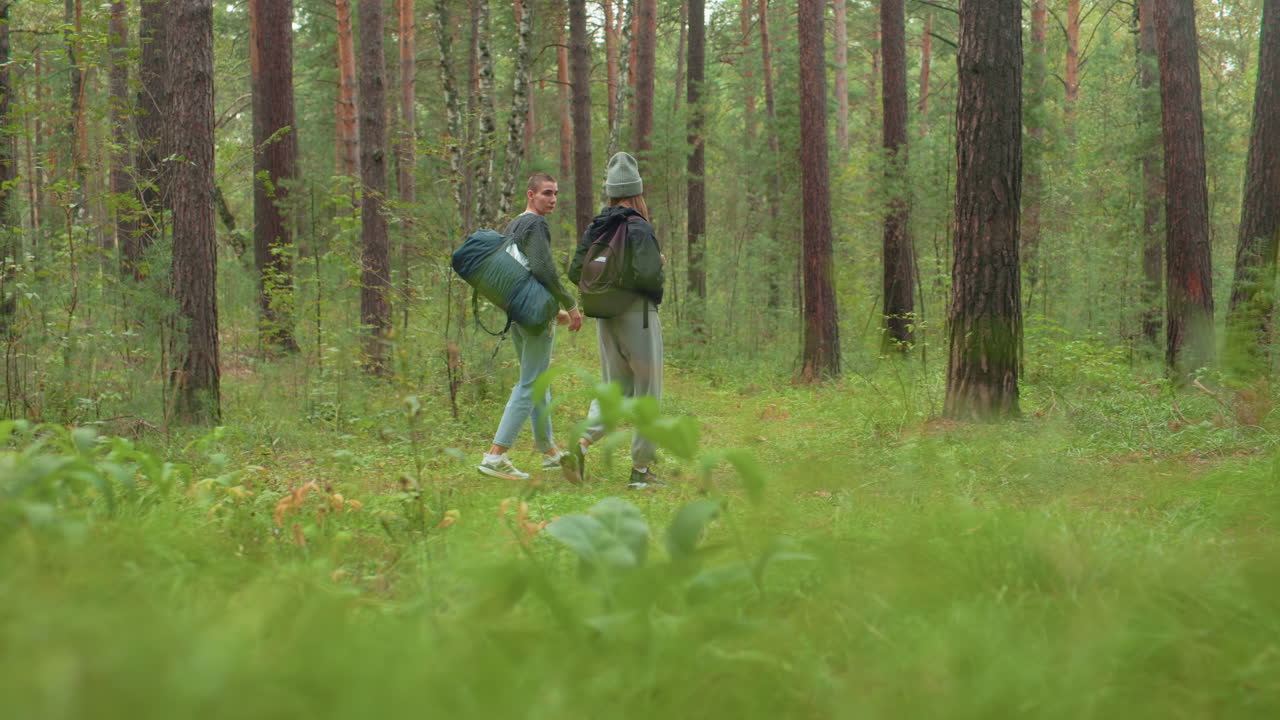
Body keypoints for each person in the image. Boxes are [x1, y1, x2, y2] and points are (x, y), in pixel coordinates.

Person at [567, 152, 666, 489]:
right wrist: (659, 264)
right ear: (637, 191)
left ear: (610, 191)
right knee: (647, 391)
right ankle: (641, 472)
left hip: (604, 316)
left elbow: (574, 271)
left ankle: (580, 444)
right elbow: (648, 277)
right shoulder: (638, 226)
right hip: (637, 316)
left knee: (615, 389)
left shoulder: (598, 226)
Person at [478, 173, 584, 482]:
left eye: (555, 193)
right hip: (534, 314)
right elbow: (542, 268)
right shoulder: (536, 224)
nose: (552, 199)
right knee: (530, 383)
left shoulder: (514, 224)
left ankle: (549, 453)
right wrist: (569, 302)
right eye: (546, 193)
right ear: (530, 195)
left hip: (517, 311)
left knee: (539, 383)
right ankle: (495, 456)